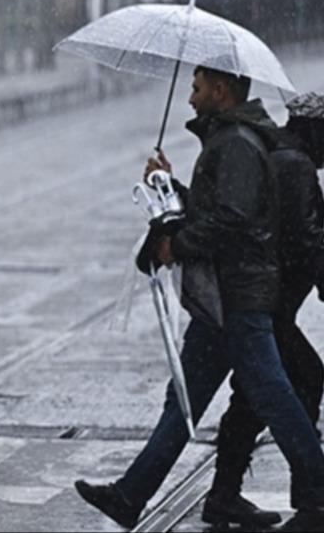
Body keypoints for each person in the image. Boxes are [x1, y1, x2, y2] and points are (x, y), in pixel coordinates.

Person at [75, 66, 324, 530]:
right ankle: (131, 496)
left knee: (274, 396)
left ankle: (318, 493)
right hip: (222, 301)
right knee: (186, 401)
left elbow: (233, 219)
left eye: (196, 88)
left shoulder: (236, 144)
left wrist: (177, 245)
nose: (190, 99)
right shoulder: (232, 140)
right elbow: (223, 208)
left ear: (221, 90)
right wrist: (169, 187)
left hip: (239, 298)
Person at [204, 91, 324, 527]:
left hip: (262, 302)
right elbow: (303, 239)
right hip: (267, 304)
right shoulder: (295, 165)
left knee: (255, 395)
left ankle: (224, 493)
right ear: (313, 128)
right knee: (302, 380)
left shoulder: (280, 154)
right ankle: (311, 493)